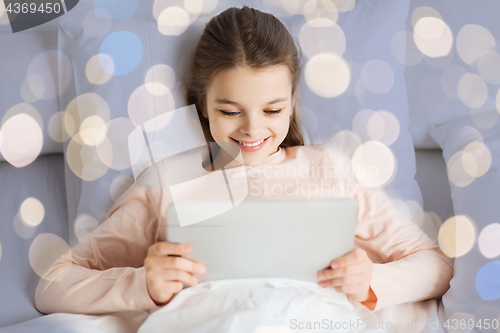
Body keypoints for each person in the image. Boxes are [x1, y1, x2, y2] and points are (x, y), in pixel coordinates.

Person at [35, 5, 453, 316]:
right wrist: (142, 283)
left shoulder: (328, 170)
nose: (253, 131)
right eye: (231, 111)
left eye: (272, 110)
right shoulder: (167, 182)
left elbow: (435, 264)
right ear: (202, 106)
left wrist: (370, 283)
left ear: (292, 102)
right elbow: (53, 285)